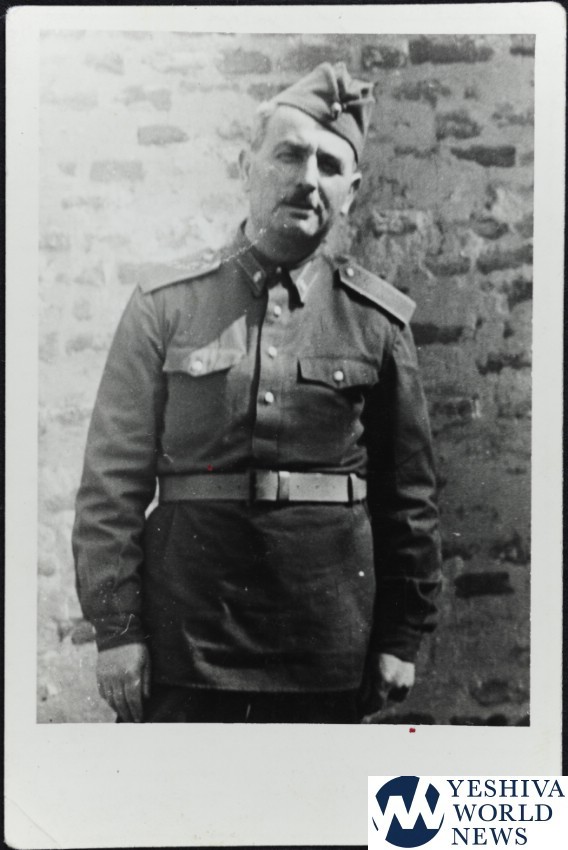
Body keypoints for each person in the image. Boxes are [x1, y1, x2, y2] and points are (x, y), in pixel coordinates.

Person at [72, 62, 442, 724]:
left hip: (327, 642)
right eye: (289, 155)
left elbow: (408, 496)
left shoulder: (377, 322)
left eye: (330, 166)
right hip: (186, 639)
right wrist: (118, 632)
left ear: (351, 193)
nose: (308, 179)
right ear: (247, 167)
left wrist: (400, 636)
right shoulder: (165, 305)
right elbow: (111, 484)